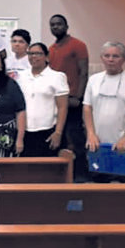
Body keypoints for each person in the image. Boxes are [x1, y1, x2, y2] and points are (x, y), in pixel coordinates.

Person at [83, 41, 125, 179]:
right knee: (98, 192)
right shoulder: (93, 80)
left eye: (115, 56)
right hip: (98, 145)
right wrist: (90, 133)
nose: (111, 59)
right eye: (107, 56)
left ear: (124, 59)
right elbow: (87, 107)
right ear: (102, 58)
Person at [48, 14, 90, 178]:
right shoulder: (51, 49)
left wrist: (78, 97)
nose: (55, 27)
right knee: (60, 137)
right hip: (57, 101)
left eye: (59, 24)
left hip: (73, 100)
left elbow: (84, 72)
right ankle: (63, 174)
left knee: (75, 137)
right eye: (52, 25)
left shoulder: (78, 45)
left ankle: (80, 174)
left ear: (66, 26)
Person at [18, 42, 69, 156]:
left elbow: (62, 107)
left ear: (46, 56)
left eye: (38, 54)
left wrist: (58, 132)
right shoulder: (21, 76)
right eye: (30, 54)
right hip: (24, 131)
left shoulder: (57, 77)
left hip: (48, 131)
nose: (34, 57)